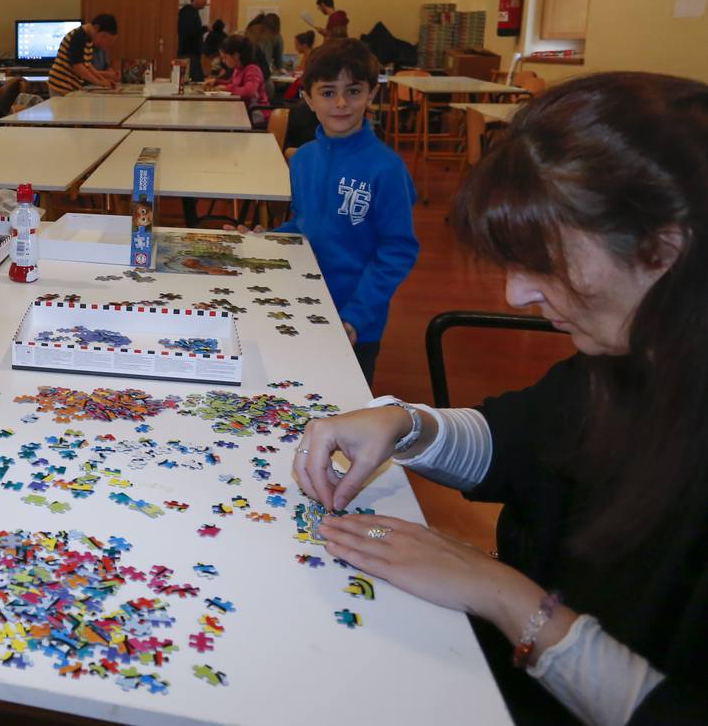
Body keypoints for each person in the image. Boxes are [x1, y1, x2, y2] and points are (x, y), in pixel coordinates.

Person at [298, 73, 708, 725]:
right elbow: (518, 435)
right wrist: (404, 423)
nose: (516, 295)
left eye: (543, 261)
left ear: (667, 249)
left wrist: (507, 597)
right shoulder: (635, 355)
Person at [266, 38, 417, 385]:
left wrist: (357, 316)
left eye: (353, 91)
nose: (341, 103)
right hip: (299, 305)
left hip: (353, 320)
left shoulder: (387, 169)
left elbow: (397, 251)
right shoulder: (302, 159)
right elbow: (307, 227)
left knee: (344, 409)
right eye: (328, 92)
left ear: (371, 95)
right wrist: (262, 242)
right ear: (308, 98)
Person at [47, 14, 119, 96]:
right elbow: (77, 67)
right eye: (104, 37)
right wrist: (99, 82)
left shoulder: (88, 39)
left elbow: (88, 66)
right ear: (96, 28)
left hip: (70, 87)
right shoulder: (78, 36)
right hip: (60, 86)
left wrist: (104, 81)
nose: (105, 42)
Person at [205, 35, 270, 126]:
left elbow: (249, 91)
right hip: (242, 111)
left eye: (225, 57)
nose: (223, 61)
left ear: (236, 56)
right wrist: (216, 82)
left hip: (255, 115)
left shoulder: (253, 69)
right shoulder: (238, 69)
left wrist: (226, 88)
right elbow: (232, 83)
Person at [177, 0, 209, 81]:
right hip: (188, 55)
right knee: (193, 83)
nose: (205, 1)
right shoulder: (188, 11)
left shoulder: (193, 12)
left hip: (192, 55)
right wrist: (205, 28)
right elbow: (189, 32)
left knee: (196, 81)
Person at [285, 31, 318, 102]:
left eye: (297, 45)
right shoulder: (306, 55)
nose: (295, 47)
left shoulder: (309, 56)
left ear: (304, 45)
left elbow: (301, 70)